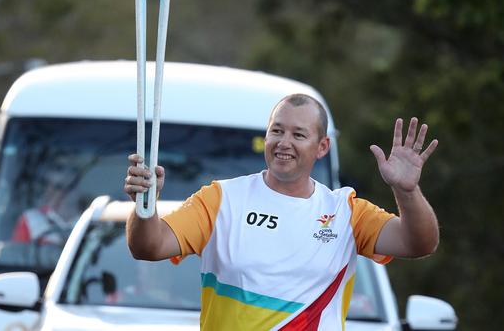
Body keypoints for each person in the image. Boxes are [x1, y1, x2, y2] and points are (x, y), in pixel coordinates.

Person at [124, 94, 439, 330]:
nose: (283, 143)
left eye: (298, 134)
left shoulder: (346, 212)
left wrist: (406, 190)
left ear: (322, 147)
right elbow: (149, 246)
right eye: (277, 131)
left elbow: (419, 244)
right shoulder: (222, 199)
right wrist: (144, 205)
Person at [11, 170, 80, 245]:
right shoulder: (31, 220)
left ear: (74, 190)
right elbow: (15, 253)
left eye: (58, 187)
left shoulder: (88, 220)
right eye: (48, 185)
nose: (50, 191)